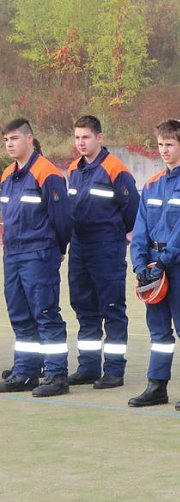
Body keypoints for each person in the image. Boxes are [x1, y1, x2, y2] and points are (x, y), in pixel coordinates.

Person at [128, 120, 180, 410]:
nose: (164, 150)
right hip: (151, 266)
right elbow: (140, 229)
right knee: (158, 331)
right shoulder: (151, 184)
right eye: (160, 145)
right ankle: (156, 385)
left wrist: (164, 261)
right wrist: (139, 263)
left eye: (169, 145)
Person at [65, 115, 140, 389]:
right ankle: (88, 366)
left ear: (100, 137)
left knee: (112, 308)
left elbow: (132, 210)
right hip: (80, 247)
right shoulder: (74, 169)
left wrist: (118, 238)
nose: (81, 143)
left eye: (86, 137)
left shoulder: (115, 169)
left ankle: (114, 370)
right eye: (77, 137)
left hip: (106, 247)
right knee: (84, 307)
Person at [0, 118, 72, 397]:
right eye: (6, 140)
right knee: (19, 314)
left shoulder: (47, 173)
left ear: (30, 139)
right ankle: (26, 372)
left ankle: (56, 374)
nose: (9, 144)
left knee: (45, 313)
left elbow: (63, 218)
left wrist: (59, 248)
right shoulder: (7, 175)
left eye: (14, 138)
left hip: (39, 253)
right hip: (13, 253)